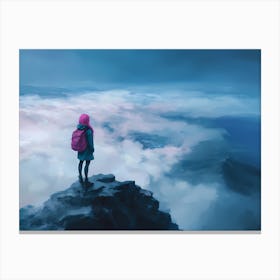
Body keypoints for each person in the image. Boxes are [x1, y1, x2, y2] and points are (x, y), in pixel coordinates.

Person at [76, 113, 94, 187]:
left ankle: (80, 176)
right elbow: (90, 142)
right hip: (87, 150)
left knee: (80, 162)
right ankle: (86, 178)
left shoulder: (79, 128)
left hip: (80, 149)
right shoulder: (88, 131)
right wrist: (92, 149)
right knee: (87, 164)